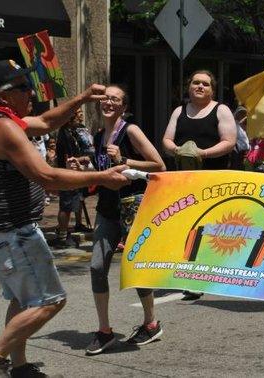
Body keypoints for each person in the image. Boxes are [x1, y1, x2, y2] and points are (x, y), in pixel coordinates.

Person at [0, 59, 129, 378]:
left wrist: (81, 98)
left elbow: (44, 121)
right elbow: (47, 177)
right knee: (50, 301)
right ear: (3, 95)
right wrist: (102, 177)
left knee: (22, 298)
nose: (31, 92)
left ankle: (19, 365)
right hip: (13, 232)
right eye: (23, 88)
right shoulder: (3, 128)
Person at [80, 84, 166, 355]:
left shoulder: (131, 130)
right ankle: (104, 330)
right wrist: (86, 166)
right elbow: (106, 170)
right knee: (96, 267)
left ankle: (150, 323)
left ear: (123, 106)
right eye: (105, 98)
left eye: (115, 99)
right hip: (107, 209)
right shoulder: (97, 136)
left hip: (133, 208)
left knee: (135, 268)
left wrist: (127, 159)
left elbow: (158, 164)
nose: (108, 102)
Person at [162, 70, 236, 300]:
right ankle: (191, 272)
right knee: (187, 226)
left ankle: (201, 276)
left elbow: (229, 142)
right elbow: (166, 141)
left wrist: (201, 153)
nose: (200, 86)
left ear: (212, 89)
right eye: (196, 83)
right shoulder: (179, 111)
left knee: (206, 229)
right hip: (184, 181)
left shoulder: (220, 110)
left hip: (212, 180)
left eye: (205, 84)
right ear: (189, 87)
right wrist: (178, 150)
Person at [53, 108, 94, 248]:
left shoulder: (74, 132)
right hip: (67, 172)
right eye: (78, 115)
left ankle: (78, 224)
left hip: (75, 171)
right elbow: (65, 155)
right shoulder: (64, 134)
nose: (80, 117)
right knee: (66, 204)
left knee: (77, 199)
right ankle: (62, 235)